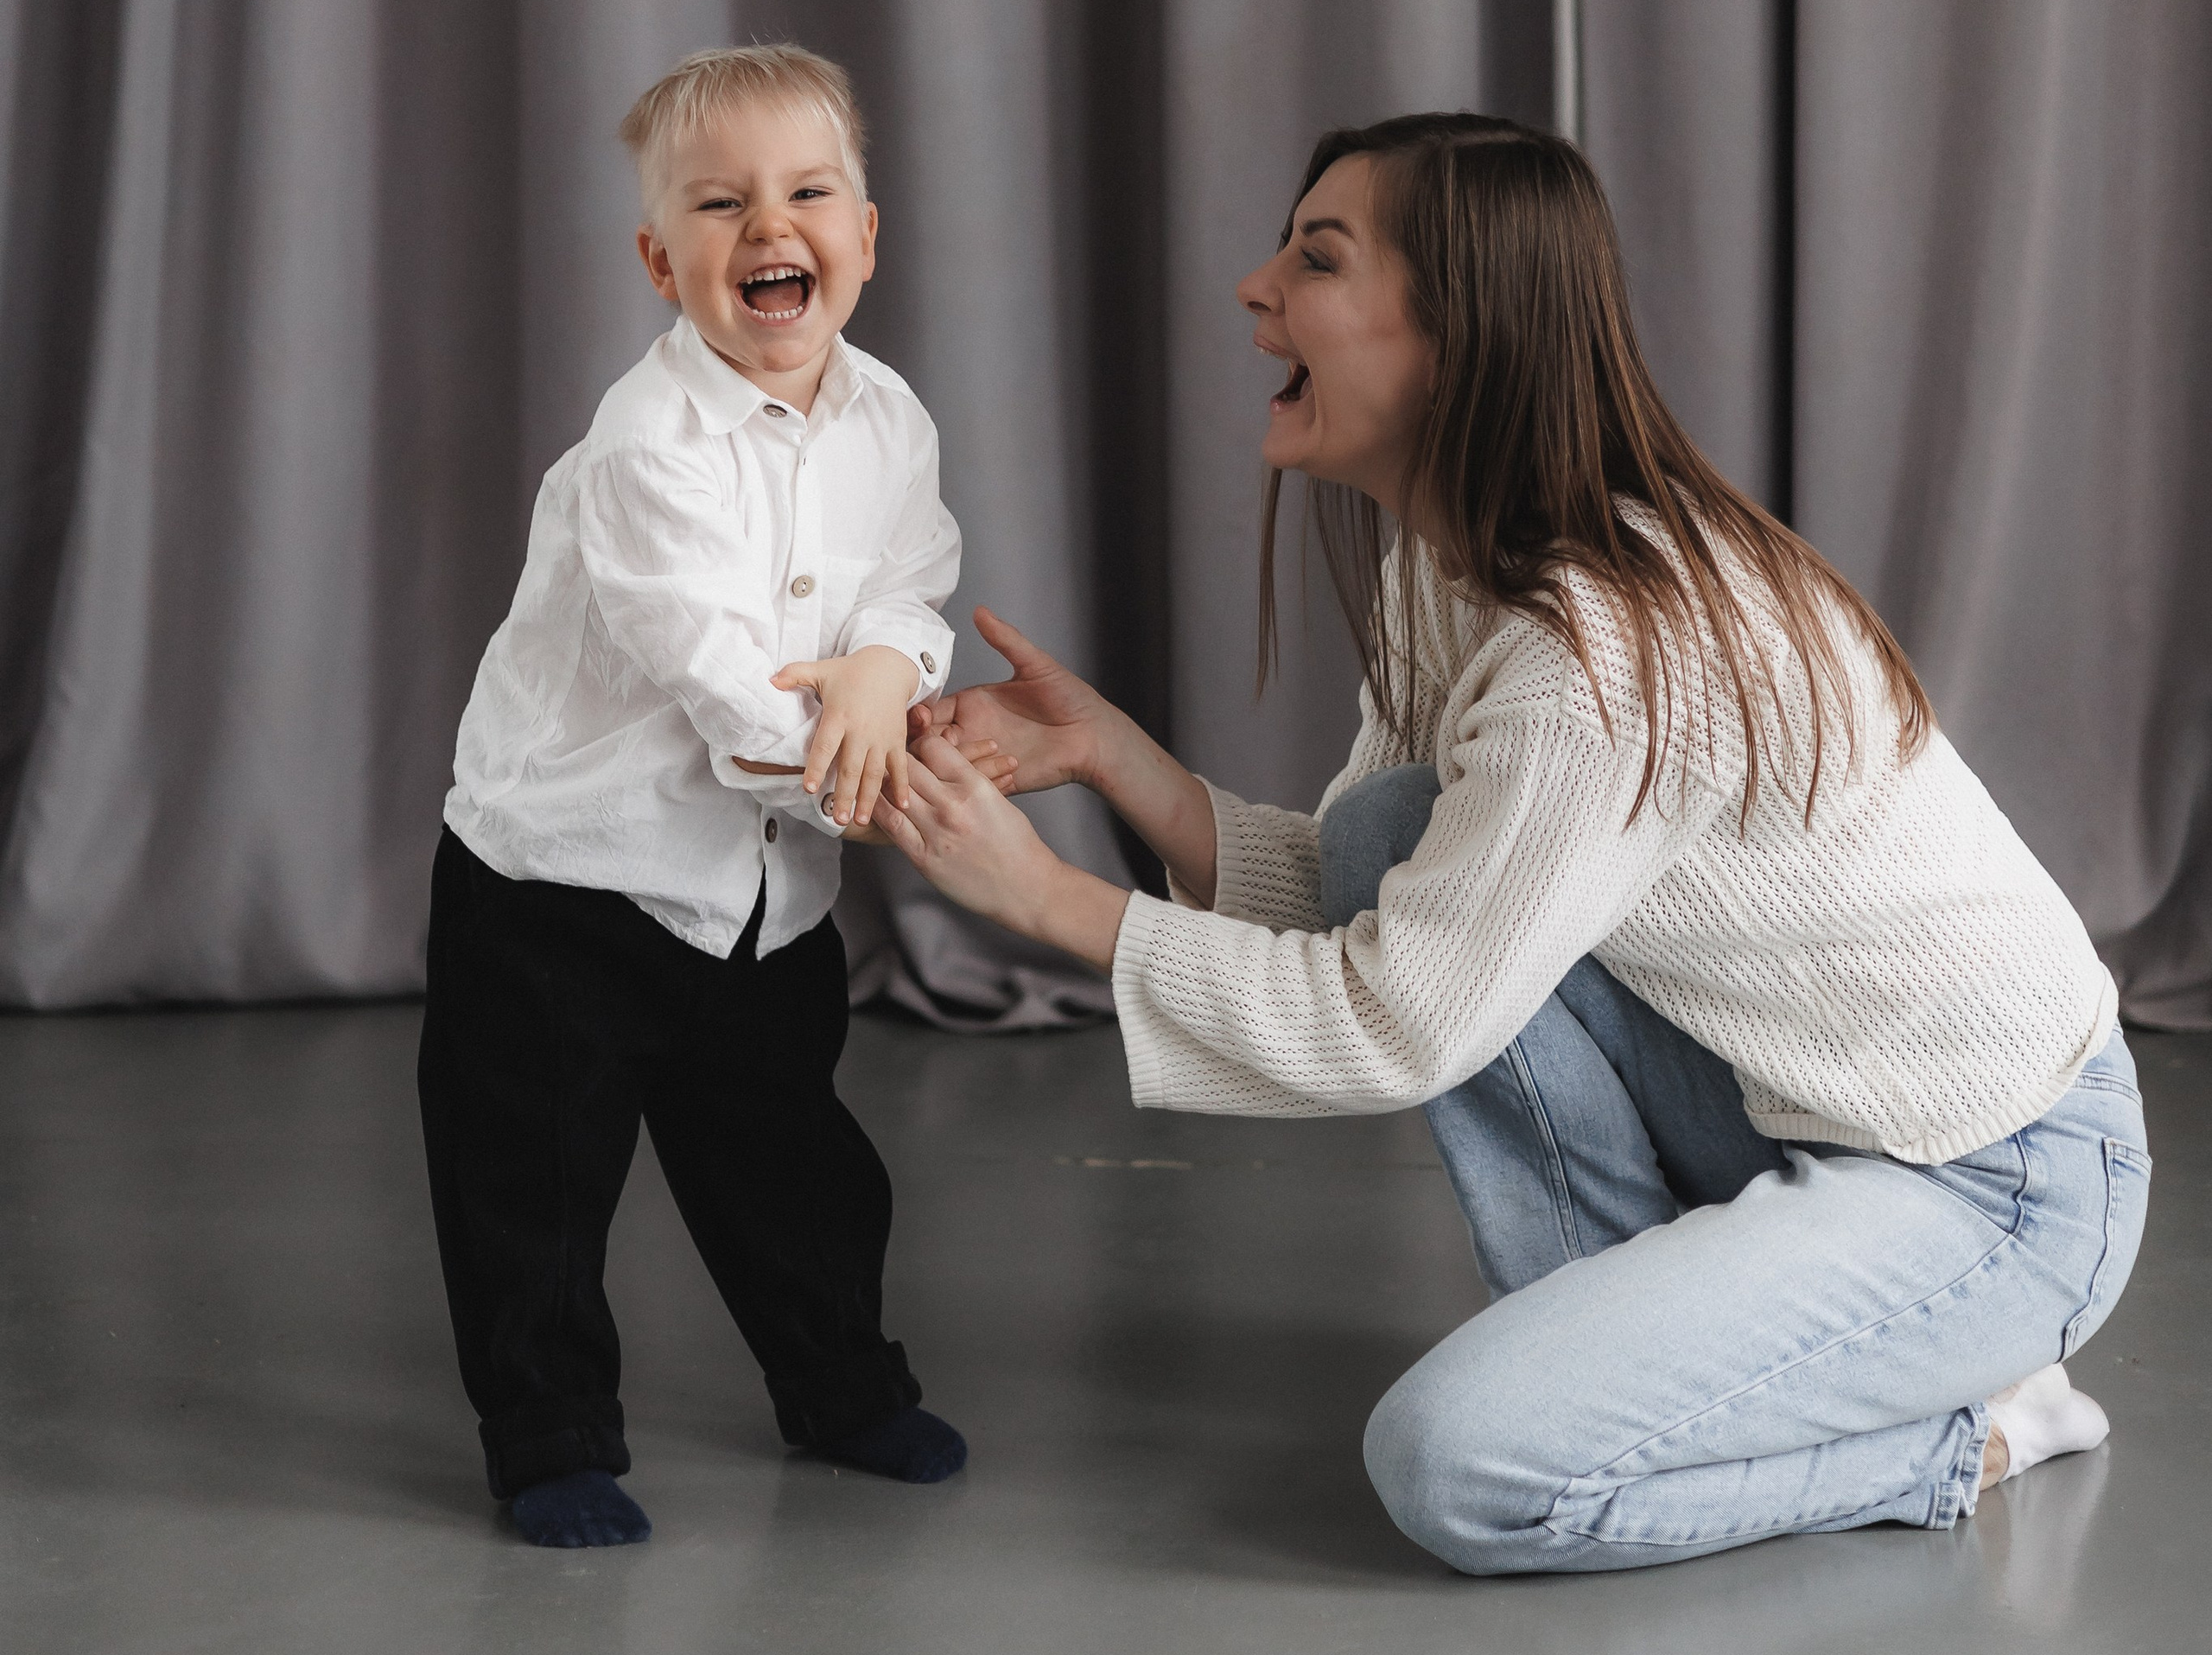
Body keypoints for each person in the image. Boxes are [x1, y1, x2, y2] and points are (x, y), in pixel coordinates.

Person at [877, 111, 2151, 1575]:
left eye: (1317, 258)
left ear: (1456, 332)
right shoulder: (1462, 563)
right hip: (1793, 1101)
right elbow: (1404, 915)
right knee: (1384, 836)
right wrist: (1124, 765)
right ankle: (1674, 1374)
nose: (1252, 287)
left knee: (1460, 1468)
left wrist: (1046, 901)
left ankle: (1979, 1429)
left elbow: (1394, 1018)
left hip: (1994, 1180)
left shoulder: (1594, 656)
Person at [422, 44, 1000, 1548]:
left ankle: (839, 1382)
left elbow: (910, 573)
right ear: (658, 259)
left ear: (864, 238)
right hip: (567, 877)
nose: (769, 229)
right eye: (721, 204)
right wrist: (877, 762)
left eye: (809, 194)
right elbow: (731, 688)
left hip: (761, 891)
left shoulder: (889, 420)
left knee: (795, 1163)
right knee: (534, 1185)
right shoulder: (643, 452)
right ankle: (547, 1433)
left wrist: (885, 663)